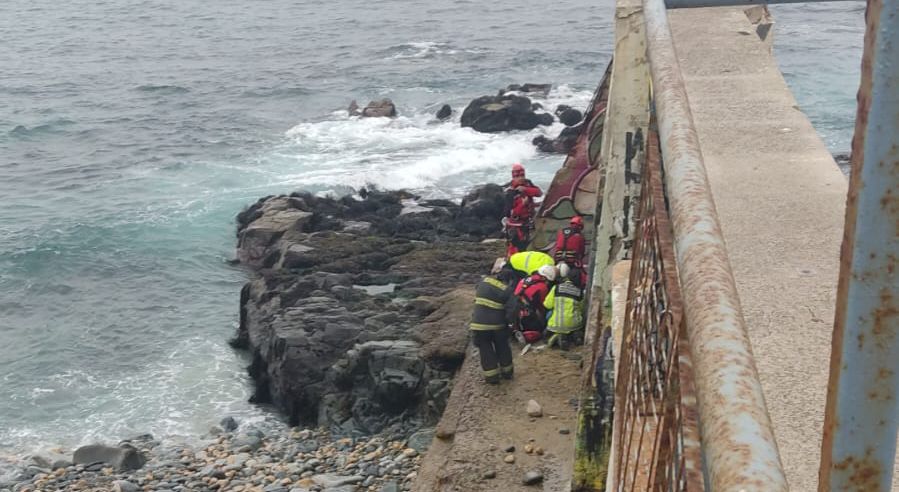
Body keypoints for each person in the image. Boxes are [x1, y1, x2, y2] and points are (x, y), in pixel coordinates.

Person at [469, 268, 520, 384]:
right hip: (498, 325)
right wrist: (510, 324)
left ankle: (492, 378)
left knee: (485, 349)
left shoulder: (484, 281)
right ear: (509, 280)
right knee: (503, 347)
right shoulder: (508, 291)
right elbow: (512, 310)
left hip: (478, 324)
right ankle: (507, 373)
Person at [502, 163, 542, 257]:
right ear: (513, 177)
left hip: (529, 221)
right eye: (517, 176)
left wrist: (526, 190)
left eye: (522, 175)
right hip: (516, 225)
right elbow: (508, 213)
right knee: (516, 248)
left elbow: (539, 193)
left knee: (531, 245)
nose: (521, 178)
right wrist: (522, 205)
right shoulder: (509, 192)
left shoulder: (527, 183)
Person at [544, 263, 586, 350]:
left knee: (550, 313)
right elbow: (582, 309)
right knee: (574, 325)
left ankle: (557, 336)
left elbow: (547, 305)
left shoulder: (556, 288)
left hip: (555, 324)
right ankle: (575, 337)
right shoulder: (580, 292)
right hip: (574, 325)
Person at [513, 264, 557, 344]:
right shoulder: (542, 287)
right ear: (544, 278)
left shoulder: (524, 279)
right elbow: (544, 305)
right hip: (528, 315)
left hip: (514, 310)